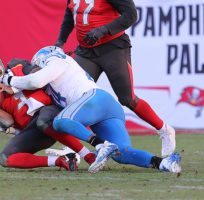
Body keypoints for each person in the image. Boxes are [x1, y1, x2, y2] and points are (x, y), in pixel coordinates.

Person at [0, 46, 181, 174]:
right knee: (122, 153)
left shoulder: (57, 61)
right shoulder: (55, 77)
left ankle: (101, 145)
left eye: (38, 65)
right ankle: (163, 163)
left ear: (44, 58)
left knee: (60, 121)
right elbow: (34, 87)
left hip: (94, 99)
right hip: (105, 107)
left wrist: (10, 81)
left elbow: (35, 81)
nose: (36, 69)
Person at [54, 0, 175, 157]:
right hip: (86, 51)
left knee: (127, 99)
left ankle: (164, 129)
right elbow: (70, 15)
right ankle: (75, 149)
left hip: (113, 48)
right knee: (75, 97)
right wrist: (60, 41)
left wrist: (102, 30)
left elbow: (131, 15)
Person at [0, 50, 95, 171]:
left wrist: (12, 85)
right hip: (34, 129)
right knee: (5, 158)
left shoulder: (17, 65)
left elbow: (40, 77)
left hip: (50, 111)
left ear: (0, 64)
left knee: (43, 121)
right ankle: (61, 160)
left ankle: (89, 156)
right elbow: (8, 121)